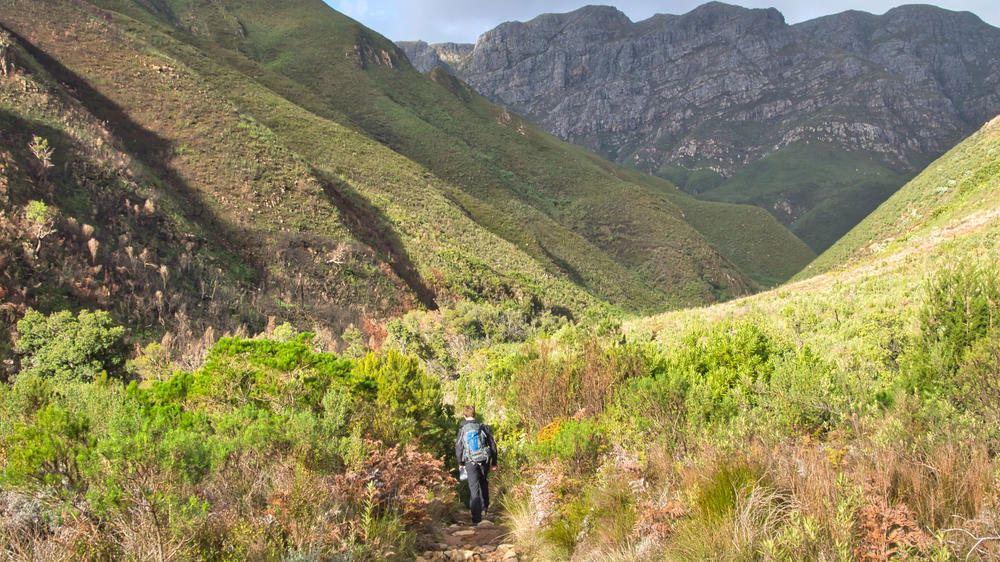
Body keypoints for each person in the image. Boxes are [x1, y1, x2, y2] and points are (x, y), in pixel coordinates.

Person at [455, 405, 498, 524]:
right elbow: (492, 444)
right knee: (483, 482)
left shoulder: (462, 430)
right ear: (475, 414)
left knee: (474, 489)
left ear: (464, 416)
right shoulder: (482, 427)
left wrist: (461, 462)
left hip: (470, 461)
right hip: (484, 460)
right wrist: (494, 462)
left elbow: (458, 447)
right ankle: (485, 509)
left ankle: (476, 519)